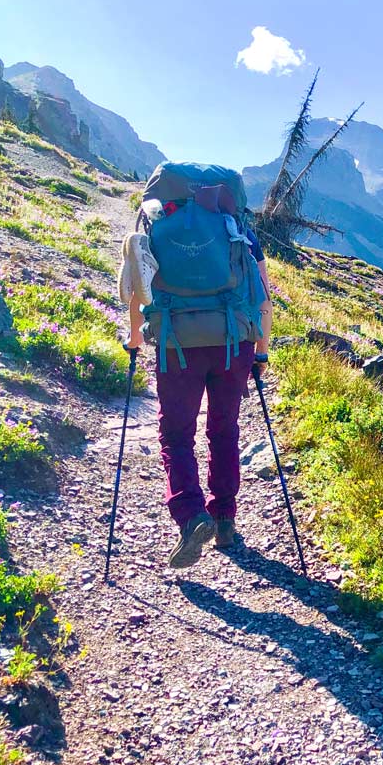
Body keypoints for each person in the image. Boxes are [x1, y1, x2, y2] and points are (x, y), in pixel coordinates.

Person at [121, 171, 272, 570]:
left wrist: (135, 340)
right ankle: (224, 519)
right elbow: (263, 299)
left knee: (176, 433)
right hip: (232, 342)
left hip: (177, 343)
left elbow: (139, 293)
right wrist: (260, 352)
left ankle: (190, 516)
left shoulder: (152, 229)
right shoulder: (236, 229)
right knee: (224, 429)